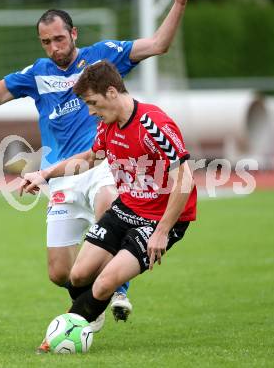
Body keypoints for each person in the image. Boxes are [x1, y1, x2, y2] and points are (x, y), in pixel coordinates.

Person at [0, 0, 189, 348]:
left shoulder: (103, 58)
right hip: (62, 174)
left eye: (59, 38)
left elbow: (158, 44)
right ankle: (88, 308)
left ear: (73, 33)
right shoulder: (37, 72)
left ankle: (116, 289)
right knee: (62, 273)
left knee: (110, 199)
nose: (54, 47)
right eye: (46, 42)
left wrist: (178, 4)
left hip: (100, 165)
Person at [19, 61, 197, 339]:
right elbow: (90, 158)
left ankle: (63, 334)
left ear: (112, 92)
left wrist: (162, 231)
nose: (90, 111)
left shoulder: (153, 125)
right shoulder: (107, 126)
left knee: (103, 284)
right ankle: (89, 313)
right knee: (77, 276)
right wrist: (45, 173)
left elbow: (185, 179)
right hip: (126, 208)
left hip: (159, 220)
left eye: (93, 103)